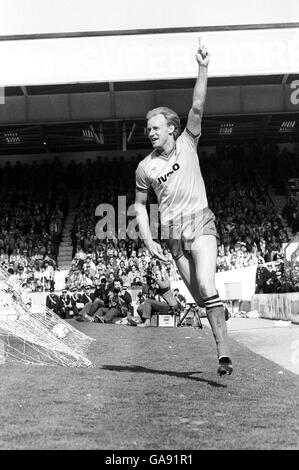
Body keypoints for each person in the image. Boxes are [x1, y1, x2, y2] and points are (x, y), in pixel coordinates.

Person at [134, 38, 233, 376]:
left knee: (207, 285)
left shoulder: (188, 141)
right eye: (148, 129)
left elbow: (197, 106)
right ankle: (219, 329)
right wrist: (149, 241)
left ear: (172, 128)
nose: (150, 133)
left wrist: (203, 67)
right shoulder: (145, 168)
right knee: (201, 299)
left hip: (200, 222)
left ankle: (223, 354)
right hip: (173, 235)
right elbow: (138, 207)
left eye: (155, 128)